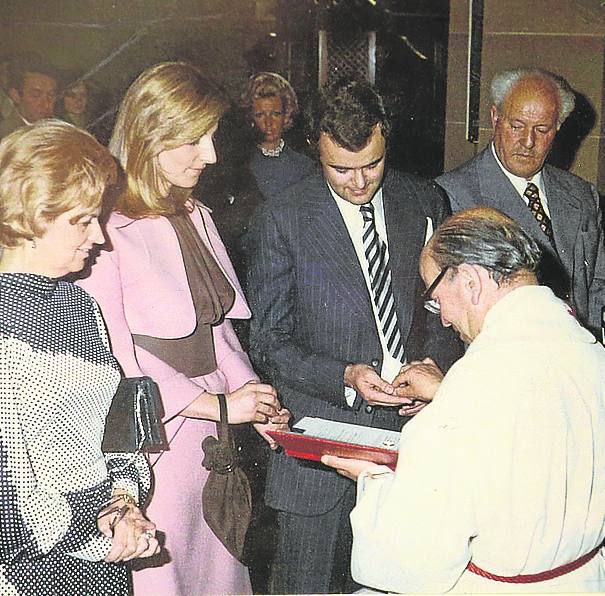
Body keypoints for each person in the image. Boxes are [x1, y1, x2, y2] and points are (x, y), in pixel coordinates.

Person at [77, 61, 289, 596]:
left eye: (212, 137)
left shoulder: (196, 213)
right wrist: (218, 405)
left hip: (210, 441)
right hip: (151, 450)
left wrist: (254, 398)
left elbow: (217, 329)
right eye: (194, 140)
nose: (212, 155)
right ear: (150, 134)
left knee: (220, 573)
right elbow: (116, 363)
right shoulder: (103, 230)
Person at [247, 78, 463, 594]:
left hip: (413, 442)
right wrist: (344, 376)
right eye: (340, 169)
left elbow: (445, 310)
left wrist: (434, 365)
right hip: (319, 446)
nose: (359, 181)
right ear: (315, 148)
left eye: (372, 163)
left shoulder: (425, 199)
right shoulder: (282, 217)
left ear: (386, 138)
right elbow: (268, 341)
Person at [323, 206, 605, 593]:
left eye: (437, 299)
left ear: (470, 281)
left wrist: (374, 479)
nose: (442, 319)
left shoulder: (474, 386)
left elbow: (408, 559)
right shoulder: (589, 350)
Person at [0, 120, 159, 595]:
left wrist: (125, 501)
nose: (100, 237)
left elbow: (117, 422)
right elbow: (9, 501)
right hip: (30, 570)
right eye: (82, 220)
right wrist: (100, 531)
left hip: (102, 556)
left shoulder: (78, 303)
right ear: (31, 215)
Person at [436, 67, 605, 338]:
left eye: (542, 129)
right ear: (495, 118)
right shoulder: (450, 196)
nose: (528, 141)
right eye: (516, 126)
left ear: (557, 128)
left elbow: (598, 289)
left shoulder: (582, 195)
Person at [239, 71, 314, 199]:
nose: (269, 123)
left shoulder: (305, 166)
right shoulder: (241, 166)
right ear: (251, 118)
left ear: (286, 115)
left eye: (276, 114)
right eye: (260, 115)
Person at [0, 57, 58, 138]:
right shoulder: (5, 136)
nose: (46, 105)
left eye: (51, 95)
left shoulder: (60, 129)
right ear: (15, 95)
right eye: (36, 96)